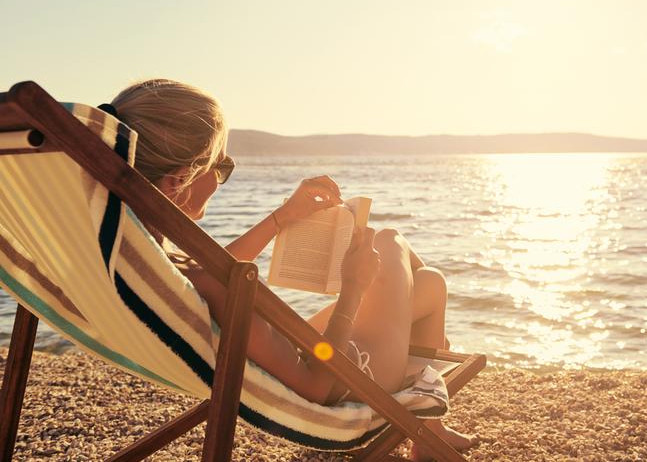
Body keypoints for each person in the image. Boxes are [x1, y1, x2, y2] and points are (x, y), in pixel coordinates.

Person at [107, 78, 477, 459]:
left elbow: (212, 270)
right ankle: (427, 414)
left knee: (430, 284)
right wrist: (353, 286)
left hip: (307, 355)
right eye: (220, 167)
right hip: (347, 379)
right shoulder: (197, 278)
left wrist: (282, 218)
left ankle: (430, 428)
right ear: (178, 180)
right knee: (389, 240)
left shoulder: (141, 250)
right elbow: (317, 387)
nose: (221, 178)